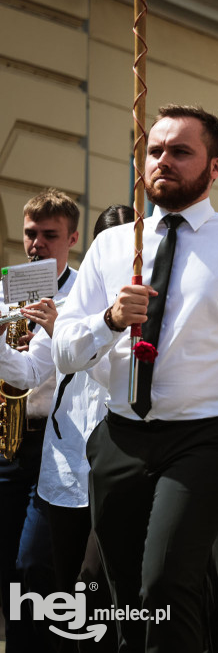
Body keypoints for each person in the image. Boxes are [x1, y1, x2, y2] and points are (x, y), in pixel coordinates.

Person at [51, 104, 218, 652]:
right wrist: (110, 320)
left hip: (206, 436)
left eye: (181, 151)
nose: (163, 160)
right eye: (155, 150)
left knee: (165, 582)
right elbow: (66, 353)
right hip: (120, 437)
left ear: (214, 168)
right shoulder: (112, 246)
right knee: (125, 602)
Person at [0, 188, 81, 653]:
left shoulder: (76, 296)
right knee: (9, 568)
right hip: (7, 442)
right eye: (31, 234)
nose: (37, 245)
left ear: (71, 238)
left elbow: (33, 373)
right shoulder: (6, 288)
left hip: (54, 445)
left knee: (37, 568)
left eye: (50, 235)